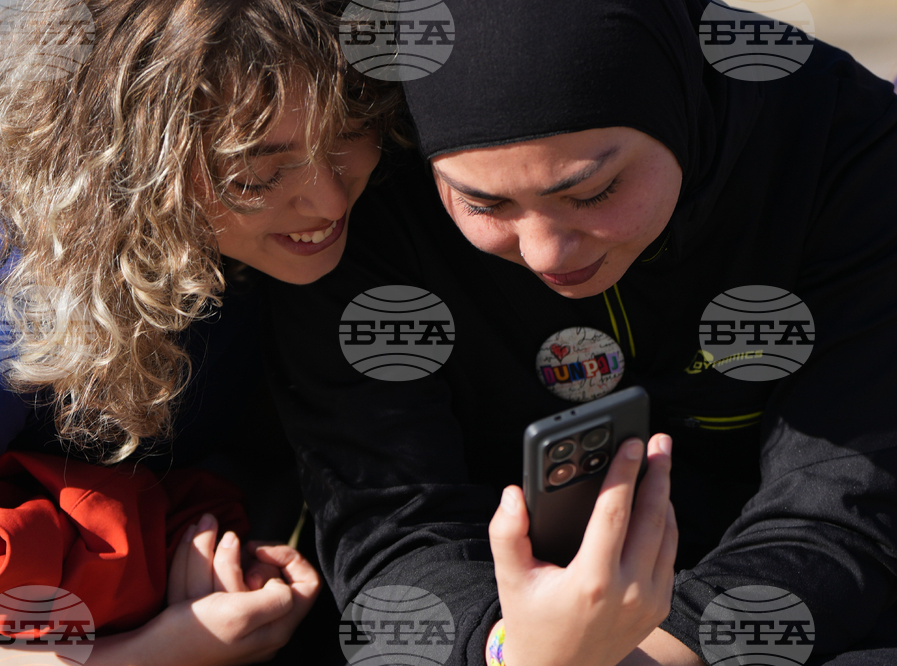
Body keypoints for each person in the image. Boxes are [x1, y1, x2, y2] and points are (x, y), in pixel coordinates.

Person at [263, 0, 897, 664]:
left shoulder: (832, 135)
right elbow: (389, 521)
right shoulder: (374, 183)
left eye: (593, 193)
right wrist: (510, 648)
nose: (547, 253)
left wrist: (634, 657)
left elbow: (847, 497)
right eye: (484, 203)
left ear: (675, 93)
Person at [0, 0, 397, 663]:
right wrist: (156, 651)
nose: (329, 200)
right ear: (132, 160)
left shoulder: (332, 224)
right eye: (258, 171)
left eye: (348, 132)